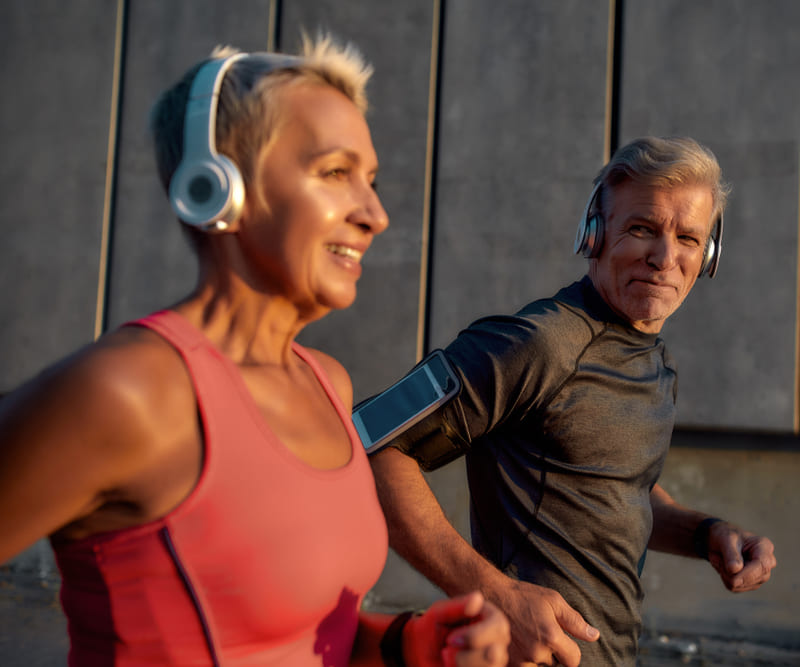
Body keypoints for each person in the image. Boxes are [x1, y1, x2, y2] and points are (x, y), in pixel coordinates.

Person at [0, 36, 511, 666]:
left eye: (371, 181)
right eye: (334, 173)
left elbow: (303, 638)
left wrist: (413, 646)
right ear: (217, 187)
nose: (375, 214)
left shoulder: (328, 384)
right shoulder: (130, 392)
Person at [369, 136, 777, 667]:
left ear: (710, 255)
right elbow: (376, 446)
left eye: (688, 238)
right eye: (641, 229)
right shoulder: (539, 343)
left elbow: (617, 491)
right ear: (595, 232)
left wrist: (708, 534)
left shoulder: (654, 361)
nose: (664, 258)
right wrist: (493, 594)